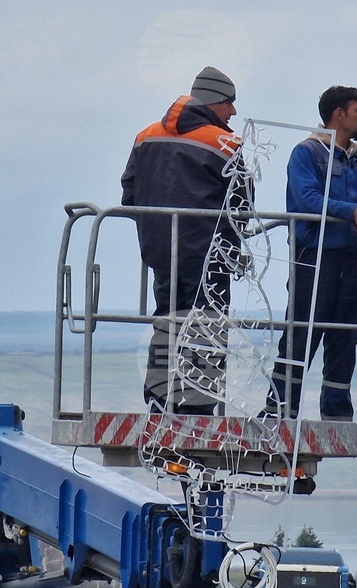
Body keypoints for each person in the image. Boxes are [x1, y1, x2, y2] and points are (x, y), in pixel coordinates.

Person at [122, 66, 247, 416]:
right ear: (214, 102)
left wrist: (154, 230)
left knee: (167, 322)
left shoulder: (145, 136)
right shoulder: (225, 142)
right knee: (205, 326)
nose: (233, 112)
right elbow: (241, 205)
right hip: (209, 254)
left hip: (160, 251)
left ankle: (161, 404)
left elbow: (129, 193)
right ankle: (198, 410)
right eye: (230, 103)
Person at [264, 85, 357, 421]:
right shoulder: (307, 153)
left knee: (346, 335)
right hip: (315, 255)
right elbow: (307, 199)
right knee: (302, 332)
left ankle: (336, 413)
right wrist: (354, 212)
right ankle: (279, 409)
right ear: (339, 114)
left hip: (355, 258)